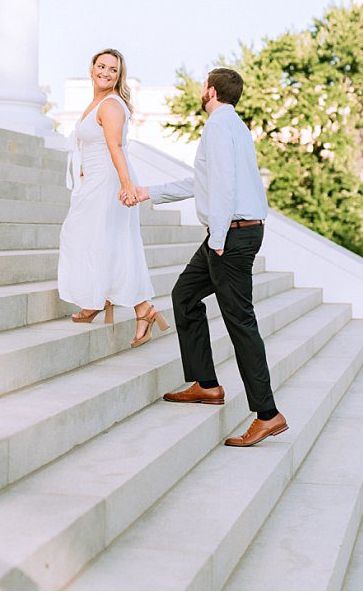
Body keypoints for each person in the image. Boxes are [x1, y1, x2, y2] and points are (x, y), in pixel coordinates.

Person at [130, 67, 288, 448]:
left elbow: (224, 186)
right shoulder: (234, 126)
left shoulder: (219, 126)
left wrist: (217, 238)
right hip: (232, 231)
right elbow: (202, 182)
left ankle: (267, 415)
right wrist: (147, 191)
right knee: (185, 295)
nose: (201, 90)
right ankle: (206, 384)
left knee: (240, 322)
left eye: (204, 85)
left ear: (212, 91)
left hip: (230, 235)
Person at [56, 48, 165, 348]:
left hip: (109, 183)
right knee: (97, 240)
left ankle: (137, 309)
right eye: (101, 66)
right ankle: (103, 301)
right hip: (94, 181)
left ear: (119, 75)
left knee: (102, 241)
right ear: (91, 69)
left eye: (112, 69)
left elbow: (115, 147)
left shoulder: (111, 105)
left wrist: (127, 185)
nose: (105, 72)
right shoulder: (97, 101)